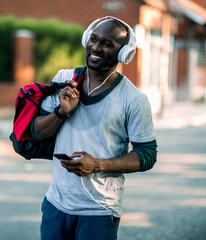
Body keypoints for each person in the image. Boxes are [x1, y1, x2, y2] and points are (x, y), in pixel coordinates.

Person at [32, 16, 158, 240]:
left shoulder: (134, 100)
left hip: (99, 211)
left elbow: (147, 154)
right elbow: (38, 131)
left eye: (107, 43)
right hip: (56, 205)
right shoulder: (64, 79)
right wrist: (61, 112)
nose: (96, 48)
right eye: (93, 39)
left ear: (123, 53)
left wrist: (98, 165)